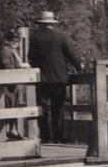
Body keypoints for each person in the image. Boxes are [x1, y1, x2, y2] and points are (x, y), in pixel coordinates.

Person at [29, 11, 82, 144]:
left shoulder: (35, 38)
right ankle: (58, 138)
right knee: (58, 109)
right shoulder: (60, 37)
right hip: (59, 78)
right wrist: (79, 67)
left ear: (41, 24)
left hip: (41, 78)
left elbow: (31, 57)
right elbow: (70, 54)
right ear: (52, 23)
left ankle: (45, 137)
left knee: (42, 108)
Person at [0, 29, 28, 140]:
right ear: (7, 41)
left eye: (17, 41)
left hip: (14, 85)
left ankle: (13, 130)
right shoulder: (5, 51)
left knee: (15, 106)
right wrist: (21, 66)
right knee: (8, 106)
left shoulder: (13, 52)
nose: (15, 43)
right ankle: (6, 132)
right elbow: (7, 67)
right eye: (12, 40)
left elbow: (17, 65)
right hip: (7, 85)